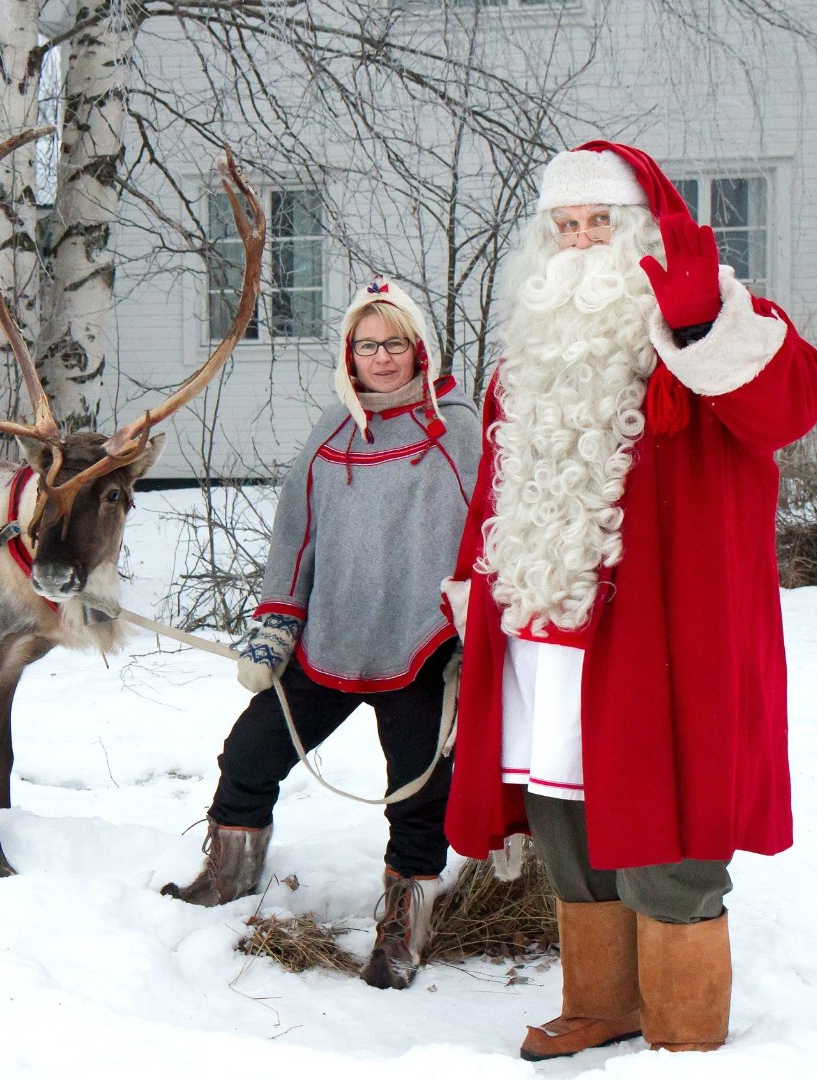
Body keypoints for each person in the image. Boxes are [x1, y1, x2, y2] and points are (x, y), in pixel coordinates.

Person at [440, 142, 817, 1057]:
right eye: (563, 228)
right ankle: (601, 1001)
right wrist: (470, 599)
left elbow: (791, 408)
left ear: (644, 234)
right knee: (564, 819)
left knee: (667, 820)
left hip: (660, 638)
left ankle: (685, 1027)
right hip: (544, 635)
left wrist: (701, 326)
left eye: (598, 225)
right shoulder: (521, 364)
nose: (578, 244)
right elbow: (492, 493)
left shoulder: (706, 339)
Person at [162, 278, 481, 990]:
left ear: (418, 347)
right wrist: (278, 619)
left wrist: (473, 631)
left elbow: (485, 535)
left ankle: (404, 927)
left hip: (422, 646)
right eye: (366, 346)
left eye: (393, 343)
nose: (381, 358)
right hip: (330, 639)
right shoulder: (331, 431)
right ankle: (227, 878)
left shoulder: (456, 427)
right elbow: (295, 536)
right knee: (246, 755)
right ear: (349, 355)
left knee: (417, 796)